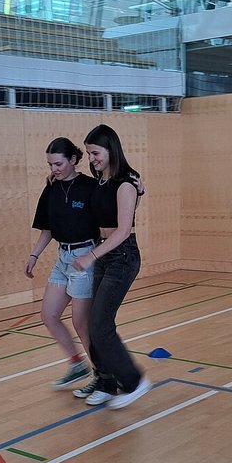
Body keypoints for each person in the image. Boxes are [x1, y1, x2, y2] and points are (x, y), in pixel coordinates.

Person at [71, 124, 151, 409]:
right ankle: (106, 382)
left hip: (122, 257)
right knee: (94, 323)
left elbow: (123, 230)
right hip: (106, 255)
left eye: (96, 153)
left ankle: (134, 381)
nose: (92, 158)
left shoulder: (125, 183)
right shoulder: (102, 181)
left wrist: (90, 257)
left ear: (111, 150)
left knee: (101, 324)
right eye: (89, 153)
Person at [26, 137, 98, 389]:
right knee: (49, 315)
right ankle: (77, 364)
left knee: (81, 323)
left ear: (73, 160)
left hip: (84, 258)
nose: (53, 169)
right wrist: (34, 255)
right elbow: (46, 229)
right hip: (63, 259)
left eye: (58, 164)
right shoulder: (51, 189)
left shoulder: (90, 187)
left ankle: (102, 375)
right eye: (50, 164)